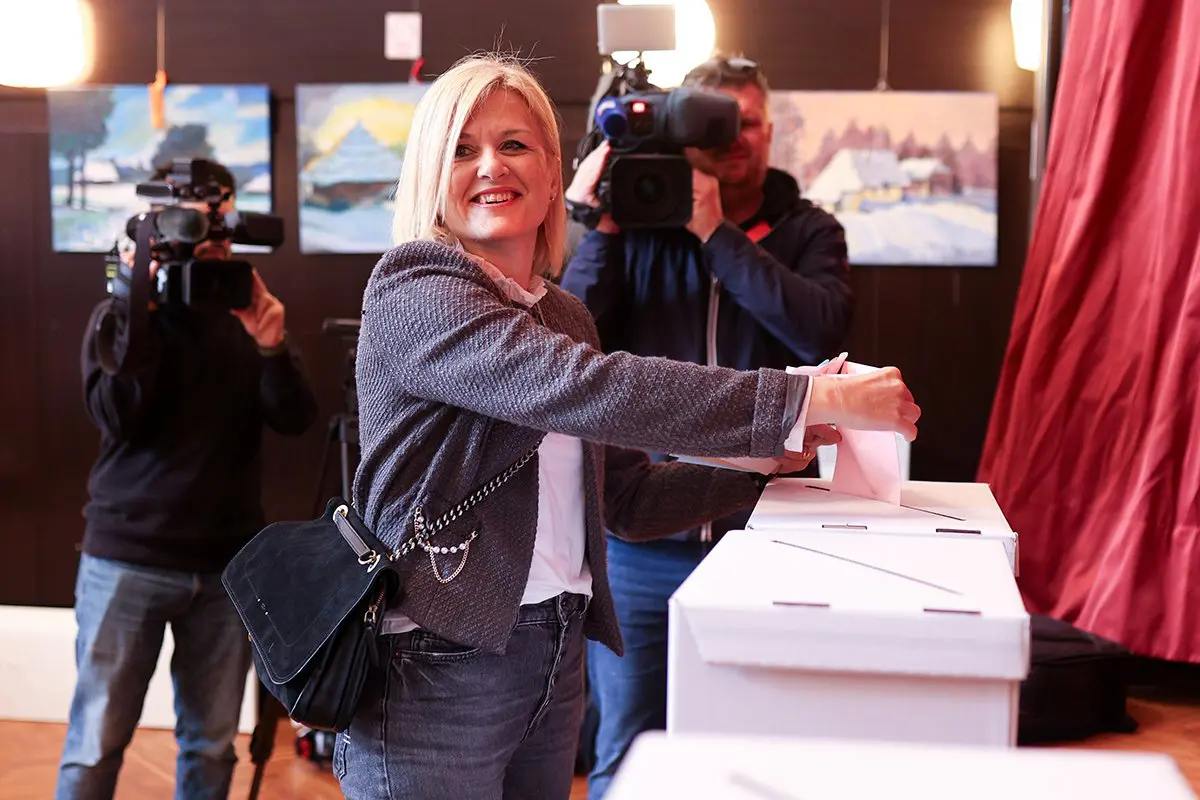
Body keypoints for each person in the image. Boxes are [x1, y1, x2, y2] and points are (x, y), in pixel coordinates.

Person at [337, 53, 919, 800]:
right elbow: (585, 387)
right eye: (462, 149)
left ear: (554, 172)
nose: (491, 166)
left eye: (514, 144)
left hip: (554, 650)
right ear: (429, 173)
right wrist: (804, 397)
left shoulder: (563, 314)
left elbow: (628, 500)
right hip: (436, 658)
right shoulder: (414, 287)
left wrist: (763, 466)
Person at [559, 55, 855, 798]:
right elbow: (568, 338)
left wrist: (717, 232)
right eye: (713, 124)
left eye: (746, 122)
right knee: (625, 749)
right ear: (680, 138)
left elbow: (819, 329)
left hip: (770, 533)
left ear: (771, 130)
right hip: (642, 537)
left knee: (763, 754)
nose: (733, 138)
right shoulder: (640, 230)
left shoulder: (810, 230)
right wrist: (603, 229)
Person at [56, 160, 320, 800]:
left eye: (222, 228)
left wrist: (271, 344)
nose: (214, 243)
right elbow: (118, 415)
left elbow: (295, 418)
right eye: (199, 228)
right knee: (95, 743)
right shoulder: (121, 319)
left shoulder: (245, 314)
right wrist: (138, 304)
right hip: (128, 559)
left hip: (226, 567)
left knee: (210, 745)